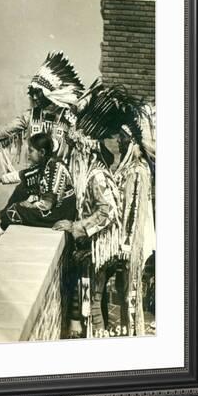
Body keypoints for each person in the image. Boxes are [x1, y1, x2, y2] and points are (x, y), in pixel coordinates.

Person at [53, 84, 144, 338]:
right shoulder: (93, 175)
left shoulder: (96, 176)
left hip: (100, 250)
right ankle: (92, 339)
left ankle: (97, 346)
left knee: (92, 304)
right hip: (94, 249)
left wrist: (76, 227)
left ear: (84, 151)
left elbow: (108, 212)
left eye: (75, 149)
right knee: (90, 302)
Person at [0, 51, 85, 169]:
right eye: (32, 92)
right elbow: (5, 130)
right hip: (33, 181)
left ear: (50, 92)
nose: (34, 97)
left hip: (61, 185)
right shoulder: (30, 117)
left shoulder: (70, 118)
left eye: (38, 92)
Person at [0, 132, 76, 258]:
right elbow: (21, 175)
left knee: (16, 210)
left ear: (41, 152)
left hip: (60, 214)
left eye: (31, 151)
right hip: (56, 210)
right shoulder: (45, 165)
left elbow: (47, 204)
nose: (28, 155)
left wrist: (30, 205)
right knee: (17, 205)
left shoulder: (55, 168)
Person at [114, 124, 155, 336]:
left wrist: (127, 242)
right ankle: (126, 333)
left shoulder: (138, 171)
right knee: (123, 289)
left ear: (131, 142)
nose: (117, 141)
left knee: (132, 290)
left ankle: (132, 336)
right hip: (125, 240)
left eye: (121, 138)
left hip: (132, 243)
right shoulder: (128, 167)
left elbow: (135, 210)